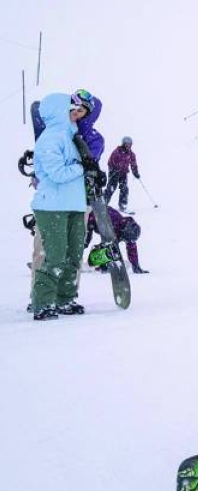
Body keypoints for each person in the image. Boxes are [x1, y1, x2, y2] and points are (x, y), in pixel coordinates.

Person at [29, 93, 95, 320]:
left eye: (81, 113)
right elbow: (57, 174)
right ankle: (43, 303)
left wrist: (92, 173)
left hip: (74, 204)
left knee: (73, 255)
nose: (77, 115)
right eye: (74, 110)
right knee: (55, 256)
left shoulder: (73, 138)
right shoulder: (50, 138)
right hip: (52, 205)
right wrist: (82, 167)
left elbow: (80, 169)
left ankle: (65, 299)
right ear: (60, 110)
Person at [87, 205, 147, 274]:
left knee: (112, 249)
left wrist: (136, 266)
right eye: (126, 239)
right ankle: (86, 259)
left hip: (101, 222)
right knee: (85, 242)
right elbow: (106, 243)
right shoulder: (113, 224)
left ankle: (98, 261)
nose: (127, 241)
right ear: (124, 232)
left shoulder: (129, 230)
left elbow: (132, 248)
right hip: (90, 216)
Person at [104, 136, 140, 212]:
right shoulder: (117, 151)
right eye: (127, 144)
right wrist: (115, 169)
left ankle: (123, 204)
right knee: (111, 187)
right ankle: (104, 203)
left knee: (124, 188)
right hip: (115, 171)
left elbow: (133, 164)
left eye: (130, 144)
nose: (128, 146)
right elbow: (111, 160)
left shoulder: (131, 154)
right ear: (123, 144)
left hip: (123, 172)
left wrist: (135, 172)